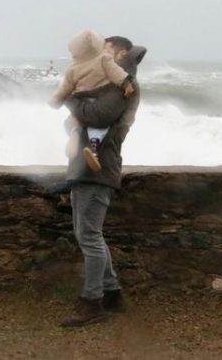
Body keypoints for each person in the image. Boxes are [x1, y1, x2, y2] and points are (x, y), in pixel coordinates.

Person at [59, 35, 147, 328]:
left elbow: (98, 114)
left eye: (106, 51)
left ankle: (93, 302)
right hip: (86, 167)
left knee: (90, 237)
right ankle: (112, 294)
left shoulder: (124, 86)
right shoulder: (103, 84)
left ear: (121, 54)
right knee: (88, 234)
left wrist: (69, 94)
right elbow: (79, 120)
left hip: (99, 168)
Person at [48, 30, 134, 172]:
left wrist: (57, 101)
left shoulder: (72, 68)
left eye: (109, 47)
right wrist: (126, 84)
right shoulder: (104, 59)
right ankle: (92, 149)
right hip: (96, 95)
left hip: (80, 96)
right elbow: (116, 73)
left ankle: (76, 133)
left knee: (81, 123)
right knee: (97, 129)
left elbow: (65, 88)